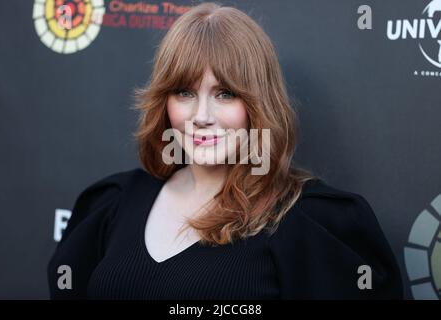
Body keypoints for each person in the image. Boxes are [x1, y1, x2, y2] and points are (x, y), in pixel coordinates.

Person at [47, 2, 403, 299]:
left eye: (225, 94)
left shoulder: (308, 222)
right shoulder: (113, 204)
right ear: (164, 102)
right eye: (185, 92)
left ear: (258, 104)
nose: (201, 117)